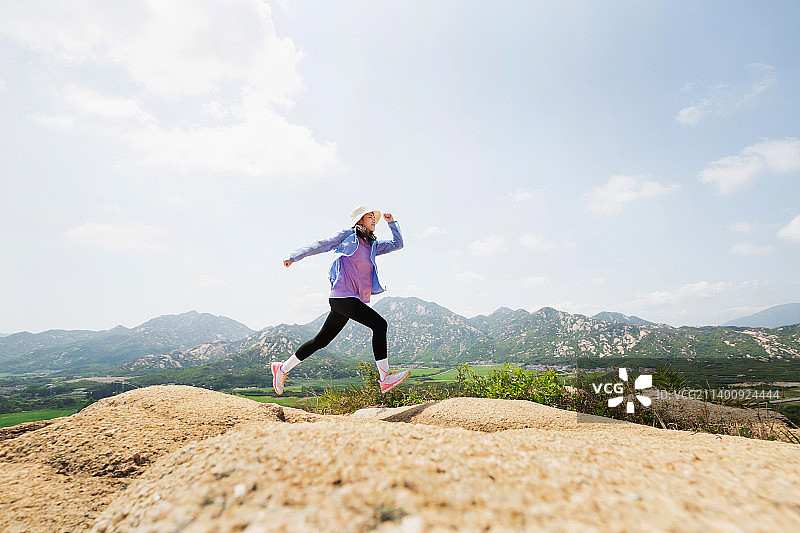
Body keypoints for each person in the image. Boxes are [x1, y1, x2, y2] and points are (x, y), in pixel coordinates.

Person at [274, 205, 409, 395]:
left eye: (375, 218)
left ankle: (282, 369)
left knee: (320, 341)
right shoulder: (347, 235)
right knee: (380, 325)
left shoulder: (372, 245)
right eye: (370, 217)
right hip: (342, 296)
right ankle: (385, 378)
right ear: (360, 220)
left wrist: (392, 223)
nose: (374, 220)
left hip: (347, 300)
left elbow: (398, 244)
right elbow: (321, 244)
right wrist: (294, 257)